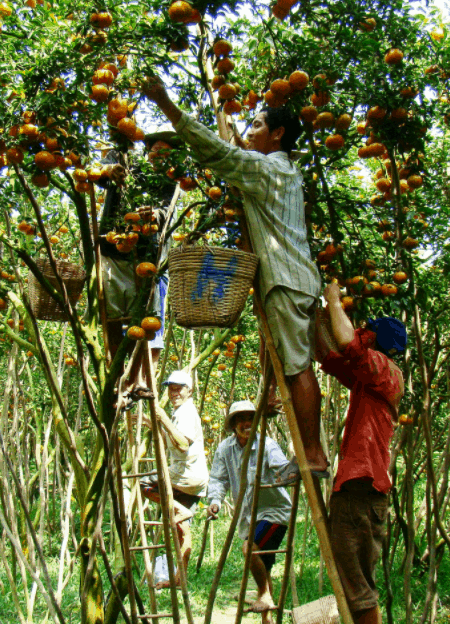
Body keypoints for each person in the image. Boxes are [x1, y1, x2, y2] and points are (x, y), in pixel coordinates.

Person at [140, 77, 328, 479]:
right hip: (295, 280)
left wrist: (167, 105)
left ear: (277, 134)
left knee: (297, 368)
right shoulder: (285, 170)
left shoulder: (267, 169)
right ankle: (277, 399)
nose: (250, 132)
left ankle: (312, 456)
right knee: (286, 362)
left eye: (258, 126)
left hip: (285, 281)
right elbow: (240, 155)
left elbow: (216, 152)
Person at [316, 282, 406, 624]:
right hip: (362, 488)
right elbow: (330, 356)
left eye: (366, 332)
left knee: (355, 583)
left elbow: (345, 343)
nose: (360, 333)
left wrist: (334, 299)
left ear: (376, 342)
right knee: (354, 578)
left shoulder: (384, 369)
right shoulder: (371, 377)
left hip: (361, 487)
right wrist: (316, 315)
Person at [95, 134, 180, 398]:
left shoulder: (172, 183)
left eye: (165, 152)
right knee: (111, 311)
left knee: (146, 319)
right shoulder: (128, 167)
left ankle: (138, 379)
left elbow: (166, 213)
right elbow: (97, 174)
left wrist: (155, 215)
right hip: (113, 249)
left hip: (146, 258)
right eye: (154, 150)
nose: (158, 155)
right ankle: (118, 372)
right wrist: (111, 171)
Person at [207, 400, 292, 624]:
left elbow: (281, 468)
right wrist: (215, 501)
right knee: (263, 567)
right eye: (240, 420)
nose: (246, 424)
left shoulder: (267, 444)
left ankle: (264, 595)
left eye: (250, 419)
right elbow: (218, 478)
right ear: (233, 424)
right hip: (248, 517)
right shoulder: (226, 448)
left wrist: (292, 471)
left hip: (274, 512)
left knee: (250, 549)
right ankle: (268, 619)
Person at [140, 369, 209, 588]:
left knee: (143, 482)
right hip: (192, 479)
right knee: (182, 530)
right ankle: (179, 579)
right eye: (171, 389)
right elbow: (172, 440)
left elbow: (182, 444)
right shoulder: (181, 412)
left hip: (184, 476)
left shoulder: (186, 412)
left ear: (189, 391)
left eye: (179, 389)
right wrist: (154, 424)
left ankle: (180, 509)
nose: (174, 393)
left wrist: (163, 418)